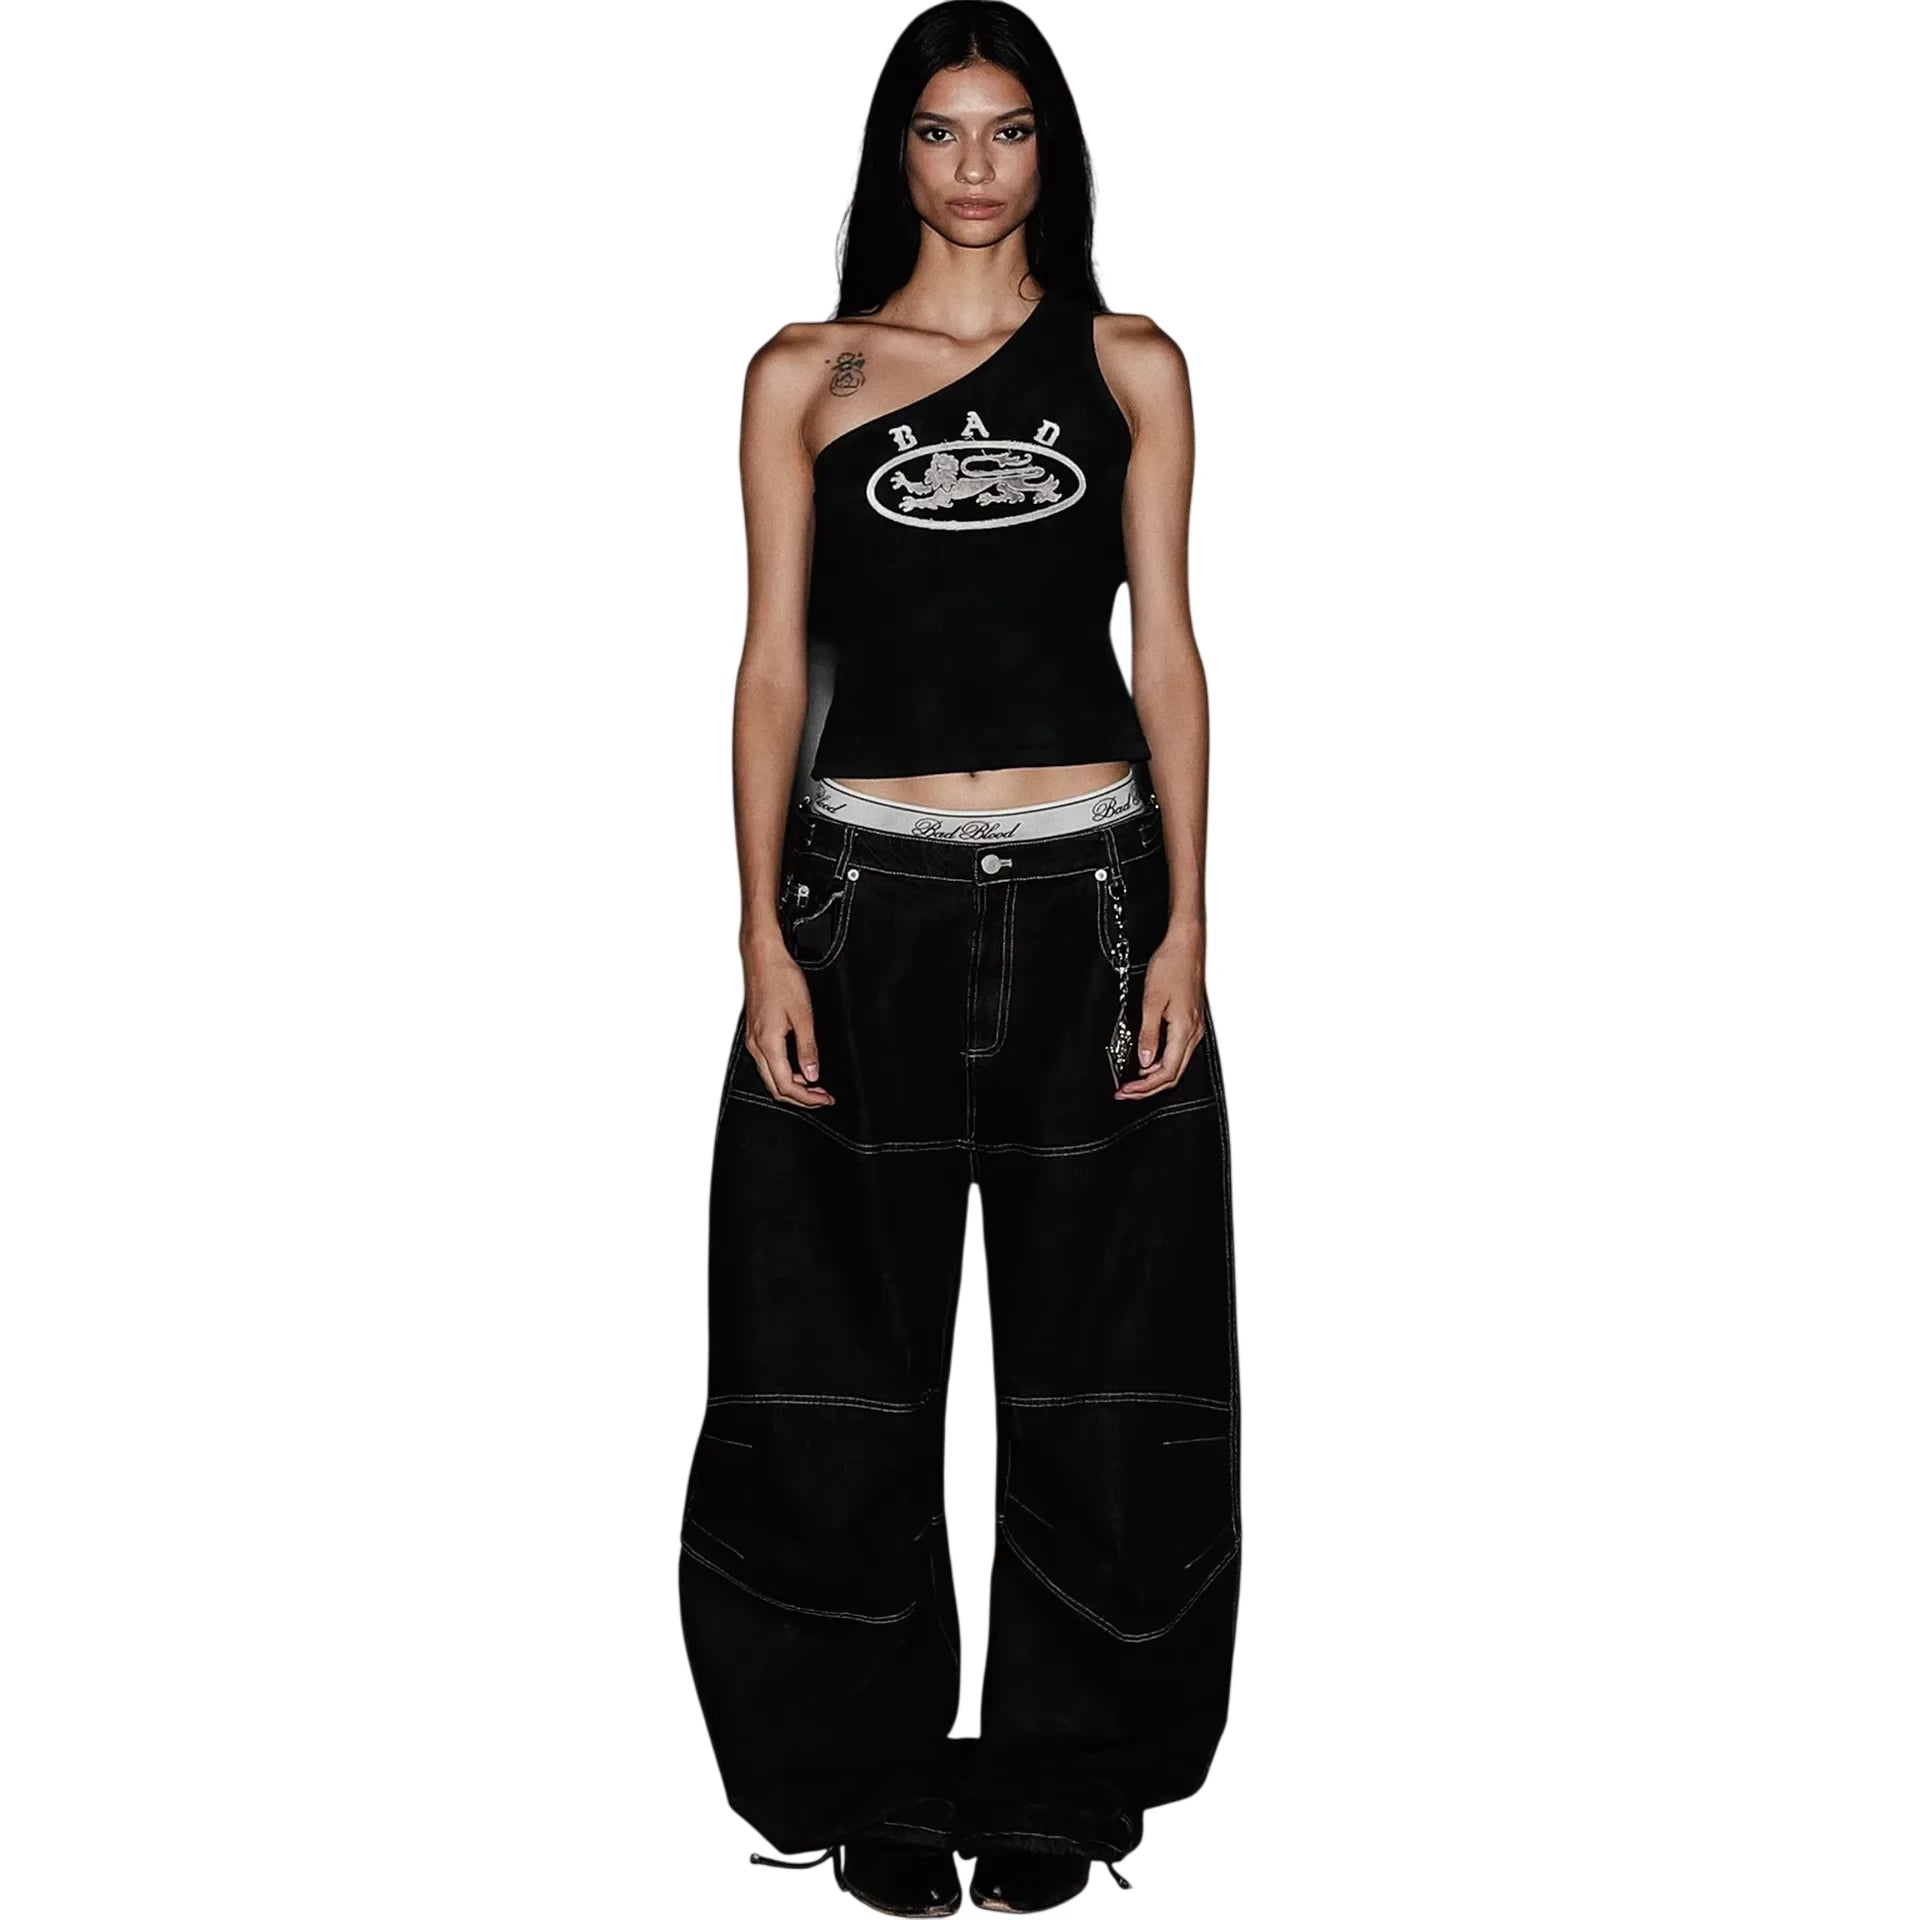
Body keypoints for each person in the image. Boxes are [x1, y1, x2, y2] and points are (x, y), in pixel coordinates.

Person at [678, 5, 1240, 1911]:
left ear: (1050, 152)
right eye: (941, 132)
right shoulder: (804, 374)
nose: (976, 167)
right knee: (829, 1363)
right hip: (864, 903)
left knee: (1110, 1367)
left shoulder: (1133, 364)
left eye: (1009, 131)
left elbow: (1170, 652)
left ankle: (1070, 1772)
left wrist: (1186, 918)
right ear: (895, 154)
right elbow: (774, 670)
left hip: (1095, 902)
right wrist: (762, 933)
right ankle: (862, 1771)